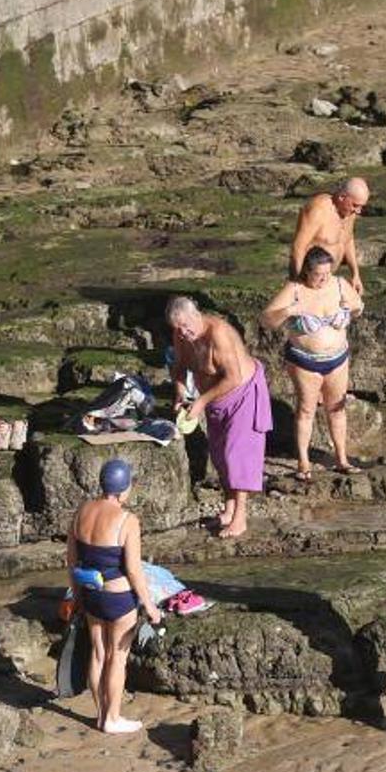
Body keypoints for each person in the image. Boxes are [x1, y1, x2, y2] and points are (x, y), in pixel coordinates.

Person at [66, 459, 162, 734]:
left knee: (97, 654)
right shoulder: (127, 520)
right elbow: (133, 570)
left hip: (91, 593)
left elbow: (72, 560)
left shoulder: (82, 511)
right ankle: (113, 718)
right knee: (117, 658)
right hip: (119, 600)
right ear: (124, 489)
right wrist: (149, 605)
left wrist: (76, 596)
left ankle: (100, 714)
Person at [167, 296, 272, 539]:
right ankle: (229, 508)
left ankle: (240, 517)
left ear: (196, 315)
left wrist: (201, 402)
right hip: (215, 399)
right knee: (219, 454)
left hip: (242, 392)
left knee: (235, 454)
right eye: (178, 329)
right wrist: (181, 394)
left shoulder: (218, 334)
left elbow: (233, 377)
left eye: (186, 326)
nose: (183, 333)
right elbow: (180, 367)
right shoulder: (181, 336)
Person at [260, 245, 365, 480]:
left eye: (327, 273)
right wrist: (289, 310)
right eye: (318, 275)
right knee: (306, 409)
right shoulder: (295, 289)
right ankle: (303, 463)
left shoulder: (338, 285)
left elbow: (358, 307)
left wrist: (351, 310)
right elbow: (266, 319)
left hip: (337, 359)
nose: (324, 279)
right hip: (304, 361)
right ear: (307, 271)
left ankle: (342, 458)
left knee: (337, 408)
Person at [289, 177, 370, 294]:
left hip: (329, 277)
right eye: (355, 205)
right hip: (310, 281)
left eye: (361, 206)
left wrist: (355, 275)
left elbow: (348, 239)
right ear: (342, 197)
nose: (358, 211)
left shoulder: (349, 212)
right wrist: (297, 283)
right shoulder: (318, 210)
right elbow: (298, 247)